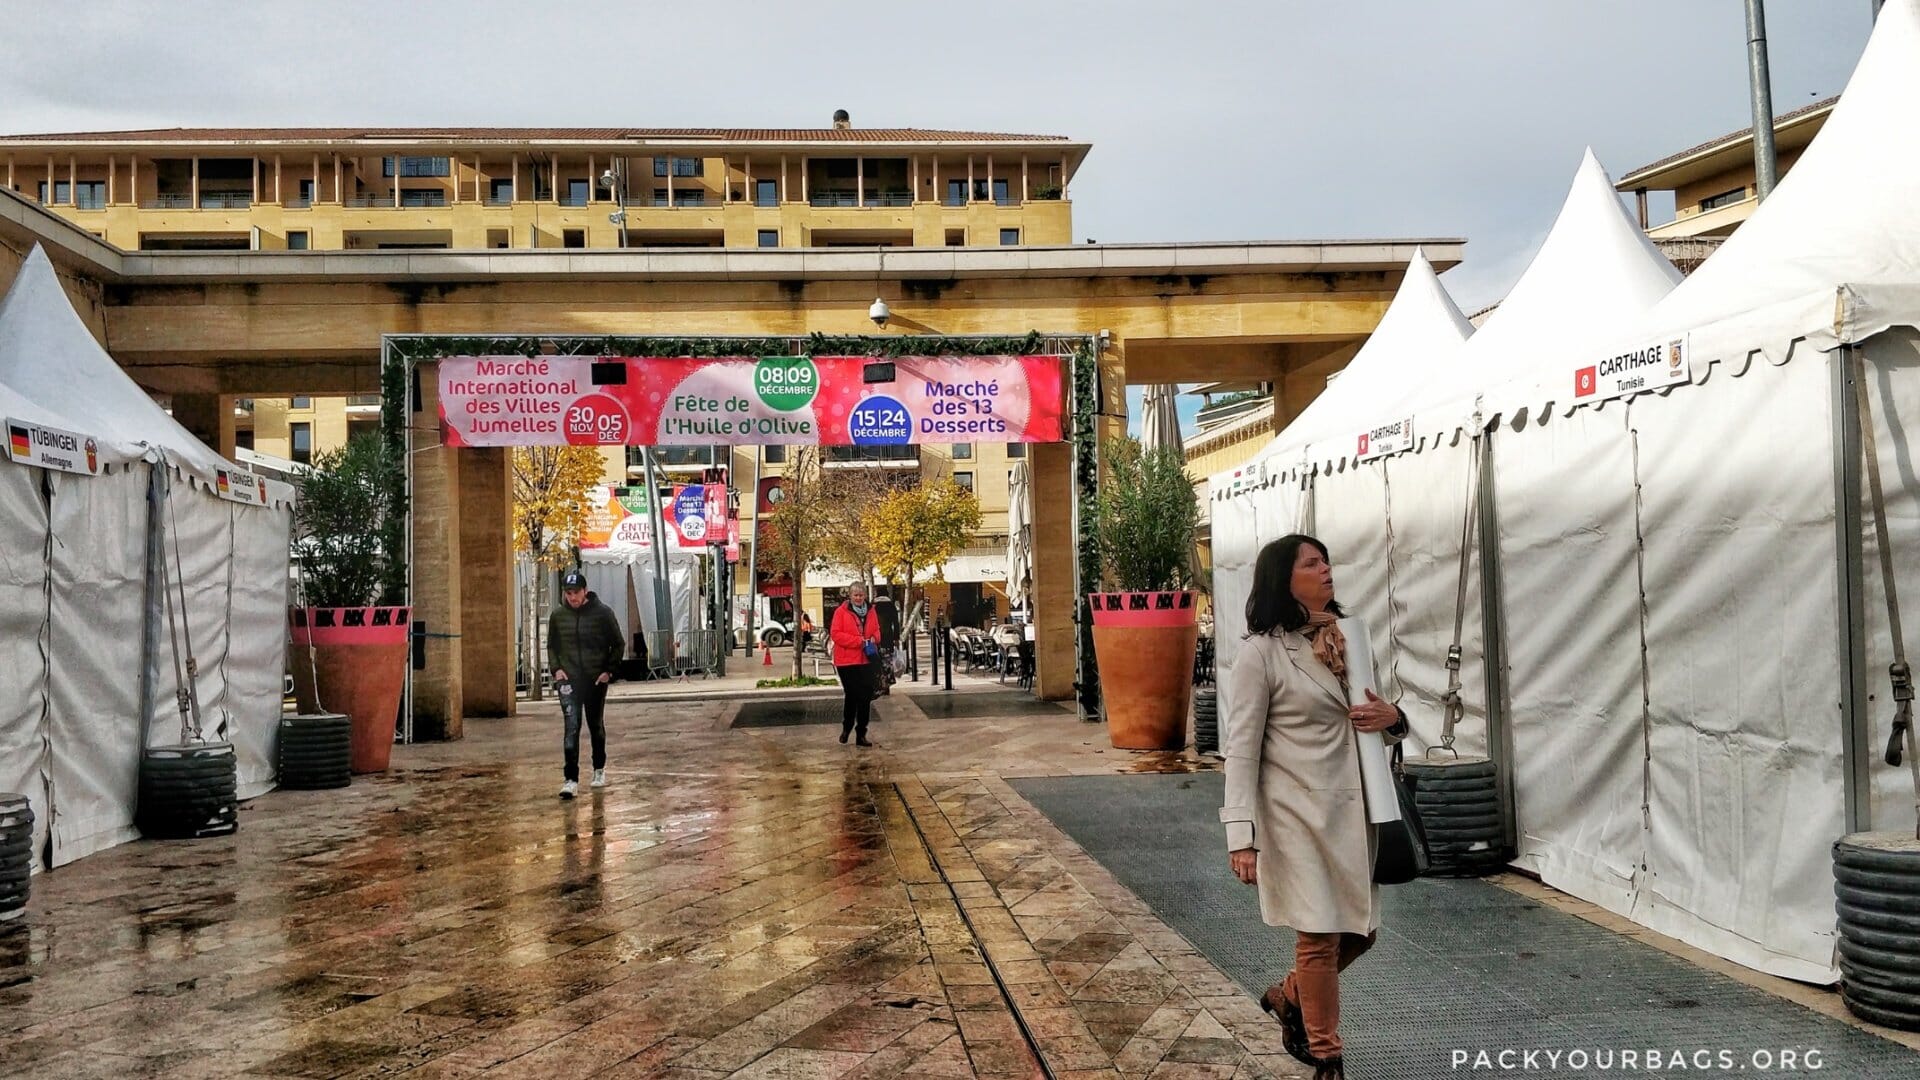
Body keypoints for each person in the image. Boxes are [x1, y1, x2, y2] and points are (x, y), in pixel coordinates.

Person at [1221, 534, 1408, 1080]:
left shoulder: (1349, 638)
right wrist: (1241, 834)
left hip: (1355, 812)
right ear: (1285, 579)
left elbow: (1377, 718)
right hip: (1293, 816)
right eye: (1311, 563)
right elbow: (1241, 748)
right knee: (1319, 936)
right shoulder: (1260, 653)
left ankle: (1287, 995)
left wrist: (1393, 718)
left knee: (1361, 931)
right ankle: (1328, 1058)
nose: (1326, 569)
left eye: (1325, 559)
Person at [547, 568, 624, 799]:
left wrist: (608, 672)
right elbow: (552, 645)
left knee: (595, 724)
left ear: (585, 591)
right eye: (568, 593)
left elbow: (618, 644)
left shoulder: (603, 614)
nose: (572, 597)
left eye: (576, 592)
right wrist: (556, 669)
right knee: (571, 727)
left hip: (595, 679)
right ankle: (570, 779)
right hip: (569, 680)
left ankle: (598, 769)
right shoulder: (558, 616)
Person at [829, 582, 882, 746]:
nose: (858, 598)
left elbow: (877, 630)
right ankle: (847, 727)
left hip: (866, 659)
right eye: (855, 595)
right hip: (846, 661)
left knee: (865, 697)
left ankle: (861, 733)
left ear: (865, 595)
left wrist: (874, 638)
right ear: (850, 596)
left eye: (861, 595)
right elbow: (836, 634)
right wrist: (858, 641)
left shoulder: (871, 611)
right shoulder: (841, 612)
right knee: (852, 695)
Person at [872, 589, 901, 695]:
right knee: (887, 662)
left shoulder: (873, 606)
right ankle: (887, 685)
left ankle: (879, 684)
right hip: (887, 638)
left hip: (875, 639)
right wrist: (896, 638)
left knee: (876, 662)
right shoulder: (891, 606)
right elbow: (896, 623)